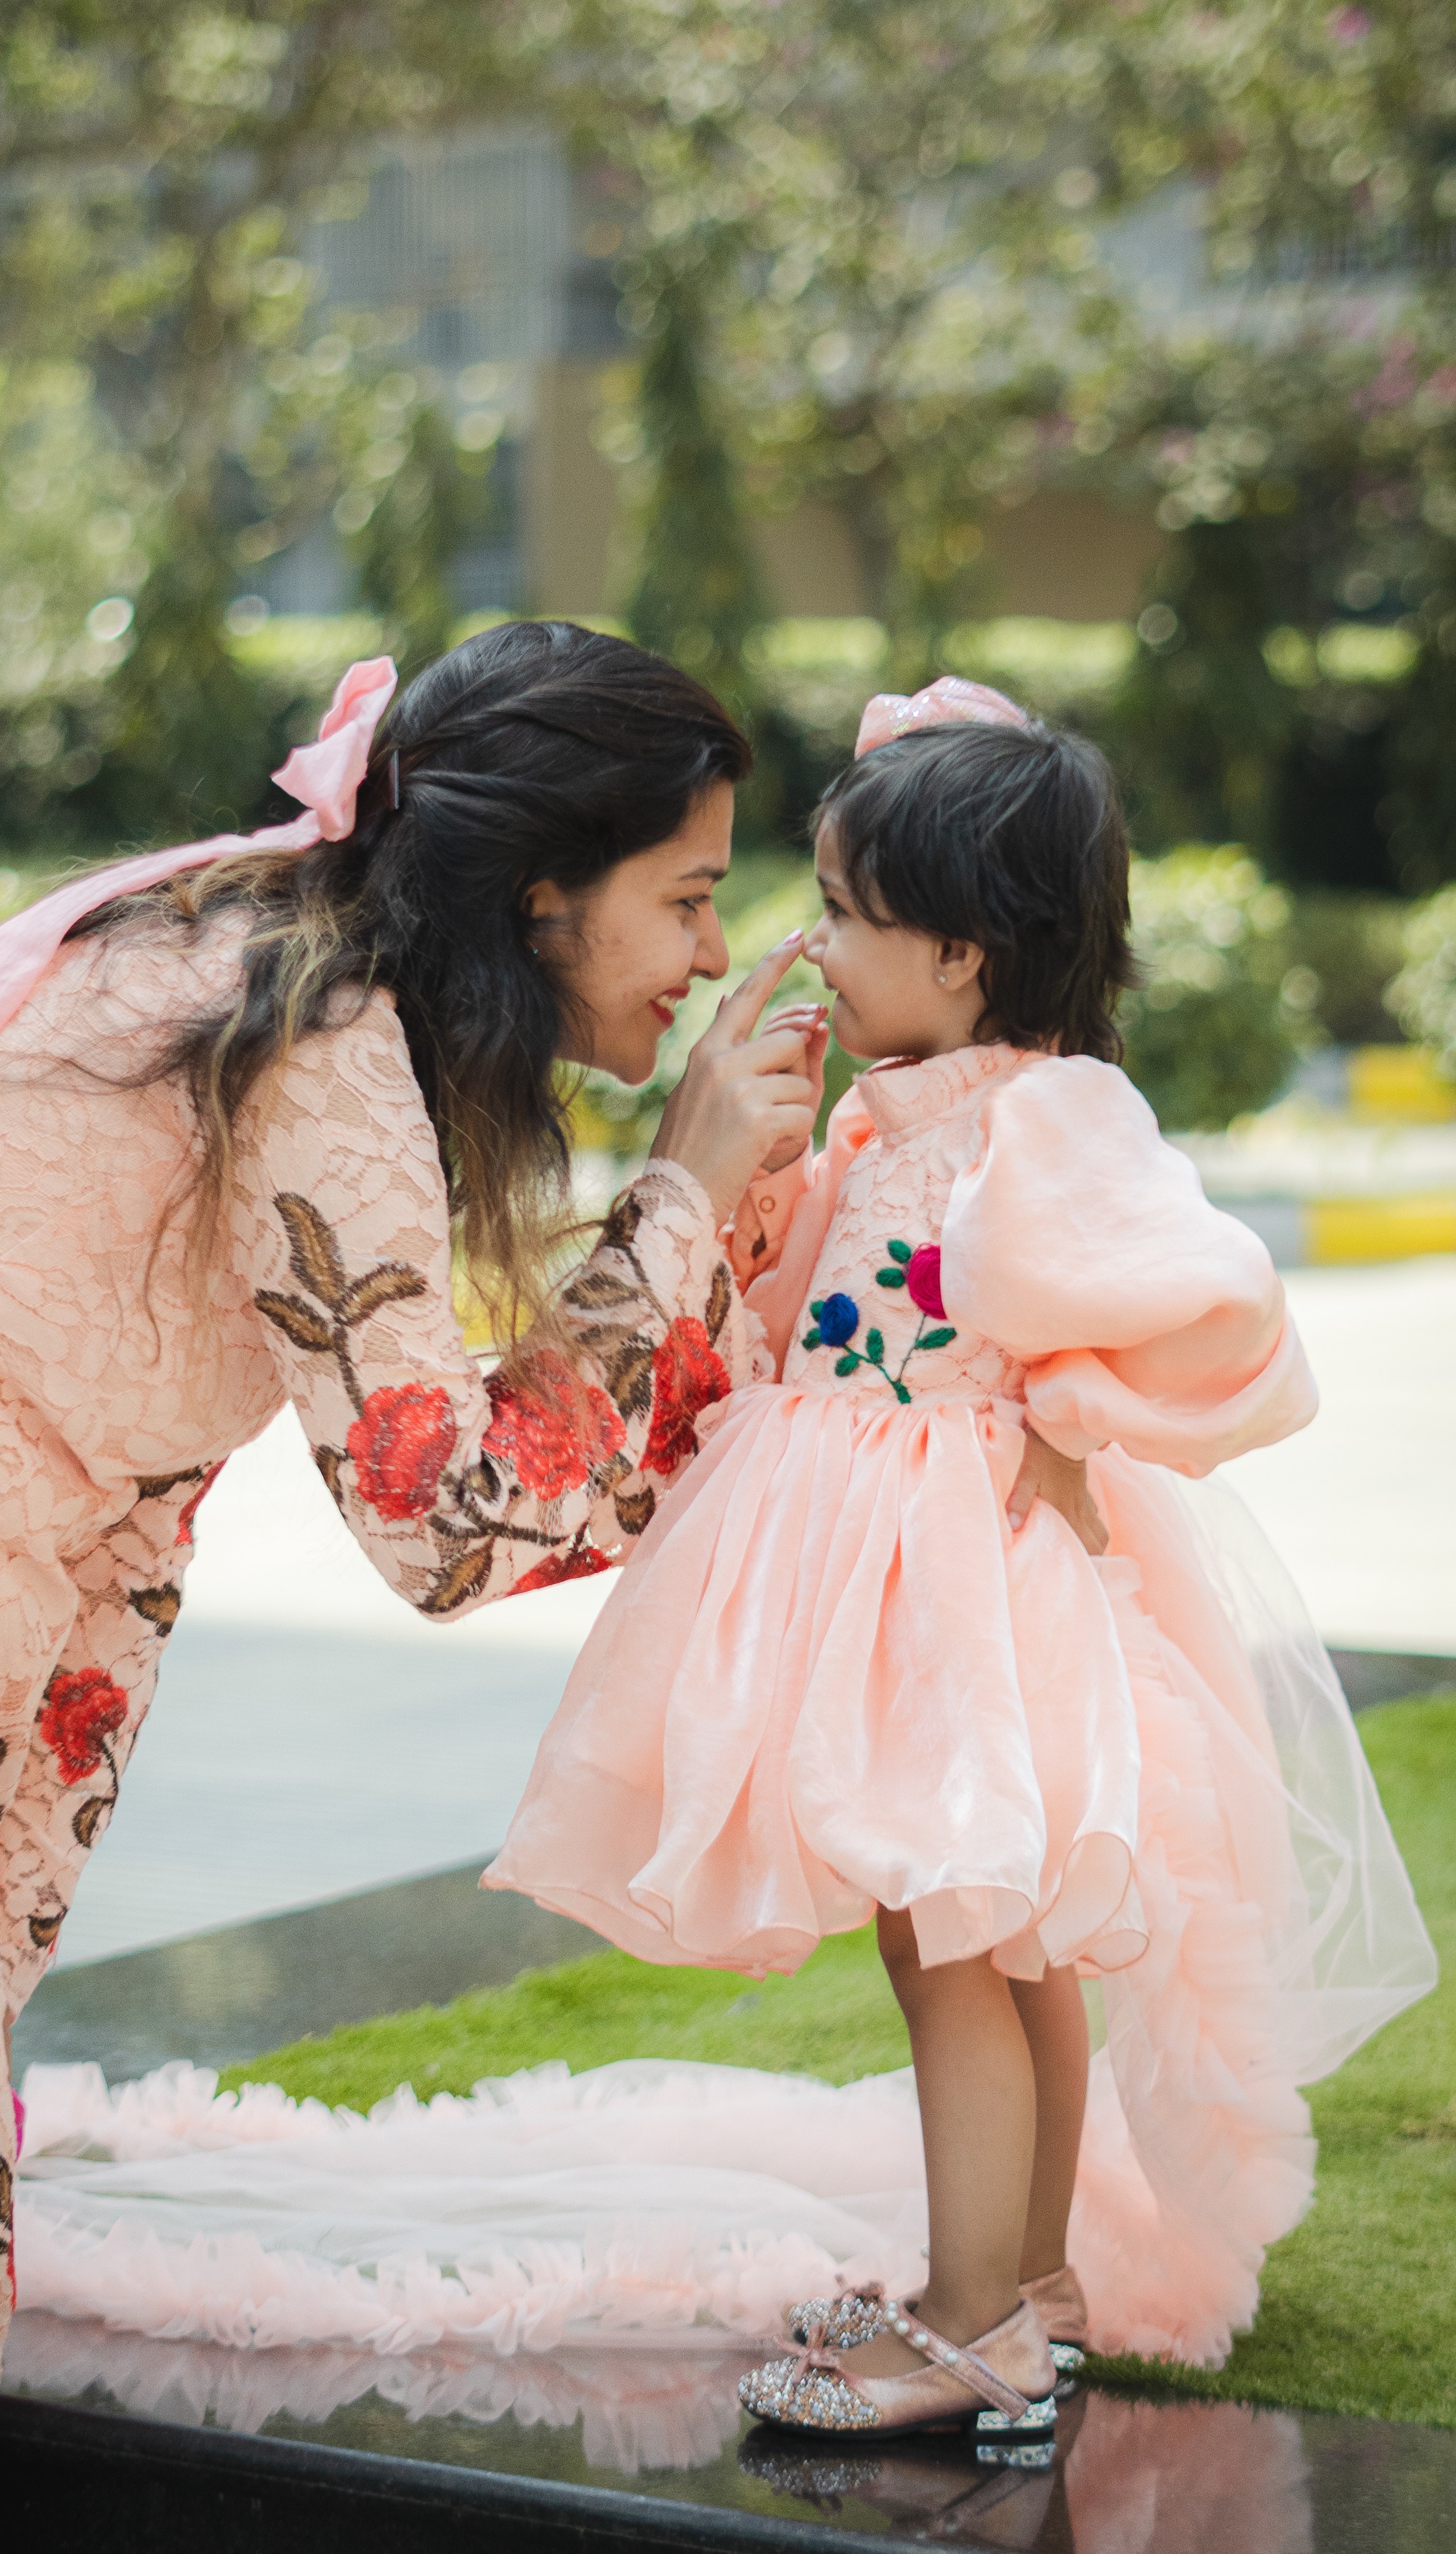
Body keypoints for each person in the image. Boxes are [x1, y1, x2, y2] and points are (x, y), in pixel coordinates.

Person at [0, 620, 846, 2554]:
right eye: (683, 897)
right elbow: (454, 1521)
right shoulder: (317, 1030)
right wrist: (678, 1198)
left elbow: (114, 1515)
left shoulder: (237, 948)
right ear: (539, 892)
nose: (699, 954)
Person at [485, 677, 1436, 2459]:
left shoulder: (1042, 1121)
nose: (811, 943)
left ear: (972, 957)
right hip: (902, 1568)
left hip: (959, 1585)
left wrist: (1068, 1401)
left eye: (847, 914)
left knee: (954, 1952)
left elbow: (1194, 1301)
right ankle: (1036, 2286)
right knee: (1007, 1949)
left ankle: (973, 2319)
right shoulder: (919, 1106)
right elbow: (809, 1309)